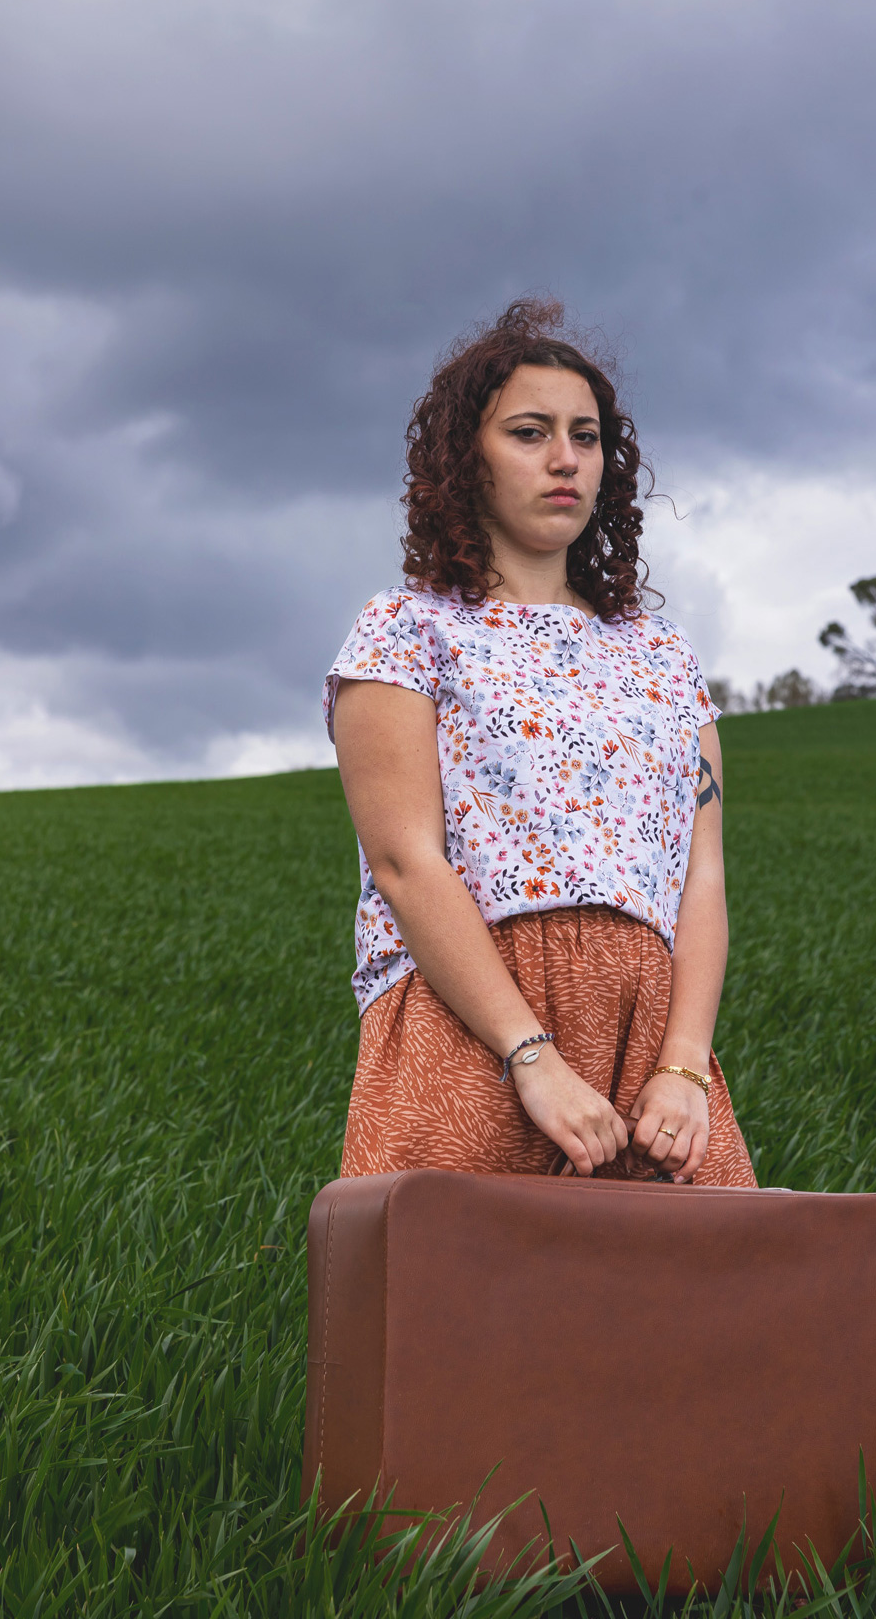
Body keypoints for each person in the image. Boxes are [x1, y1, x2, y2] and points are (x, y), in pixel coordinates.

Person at [324, 300, 756, 1187]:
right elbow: (406, 863)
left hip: (652, 1042)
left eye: (585, 437)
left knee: (713, 1276)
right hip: (470, 1024)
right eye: (530, 433)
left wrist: (683, 1068)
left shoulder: (663, 657)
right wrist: (531, 1056)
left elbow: (702, 877)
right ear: (466, 459)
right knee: (459, 1272)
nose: (565, 458)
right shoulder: (406, 632)